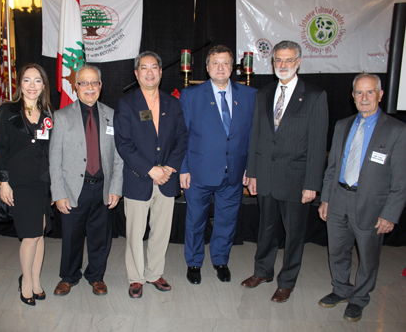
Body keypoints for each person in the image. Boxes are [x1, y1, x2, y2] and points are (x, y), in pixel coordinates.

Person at [241, 40, 328, 303]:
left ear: (298, 62)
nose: (283, 65)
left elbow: (317, 144)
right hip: (266, 175)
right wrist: (252, 172)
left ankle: (287, 280)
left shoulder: (314, 95)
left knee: (294, 235)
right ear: (273, 62)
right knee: (265, 229)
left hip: (296, 179)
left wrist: (312, 183)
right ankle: (262, 271)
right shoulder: (264, 93)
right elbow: (255, 135)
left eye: (289, 60)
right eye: (278, 60)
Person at [318, 73, 406, 322]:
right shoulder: (342, 125)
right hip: (338, 199)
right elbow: (332, 166)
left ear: (380, 95)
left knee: (368, 256)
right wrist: (325, 199)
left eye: (370, 92)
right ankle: (341, 289)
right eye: (359, 92)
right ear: (352, 96)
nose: (364, 97)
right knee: (337, 250)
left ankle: (359, 298)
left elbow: (401, 180)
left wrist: (390, 213)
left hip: (372, 205)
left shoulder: (397, 130)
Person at [179, 45, 257, 284]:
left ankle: (221, 260)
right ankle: (193, 262)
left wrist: (250, 168)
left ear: (233, 68)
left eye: (225, 63)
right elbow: (182, 135)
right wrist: (183, 168)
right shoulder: (190, 95)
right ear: (207, 67)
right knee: (195, 220)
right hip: (199, 172)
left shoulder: (249, 95)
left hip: (234, 172)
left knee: (227, 220)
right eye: (215, 63)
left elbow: (253, 136)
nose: (220, 68)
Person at [114, 51, 188, 298]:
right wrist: (150, 169)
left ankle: (154, 273)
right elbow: (123, 143)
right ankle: (136, 278)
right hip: (138, 179)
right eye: (143, 68)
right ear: (136, 74)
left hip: (166, 180)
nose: (149, 72)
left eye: (153, 67)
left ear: (160, 72)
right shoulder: (126, 104)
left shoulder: (173, 103)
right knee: (135, 233)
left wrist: (168, 168)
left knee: (161, 232)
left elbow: (181, 138)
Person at [50, 65, 123, 297]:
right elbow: (54, 159)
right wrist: (58, 193)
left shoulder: (112, 115)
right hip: (73, 190)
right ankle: (69, 276)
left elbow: (118, 156)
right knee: (71, 237)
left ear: (100, 86)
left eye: (94, 83)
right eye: (84, 83)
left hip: (103, 187)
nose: (89, 88)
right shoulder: (61, 117)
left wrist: (116, 188)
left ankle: (96, 276)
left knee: (100, 238)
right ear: (76, 86)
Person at [0, 63, 54, 306]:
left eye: (37, 80)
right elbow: (0, 149)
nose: (32, 85)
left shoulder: (48, 115)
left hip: (41, 182)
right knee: (29, 236)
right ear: (20, 84)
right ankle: (26, 282)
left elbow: (49, 152)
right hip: (18, 183)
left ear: (43, 85)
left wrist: (52, 187)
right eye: (27, 80)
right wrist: (3, 182)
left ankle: (36, 279)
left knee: (39, 235)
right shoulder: (7, 111)